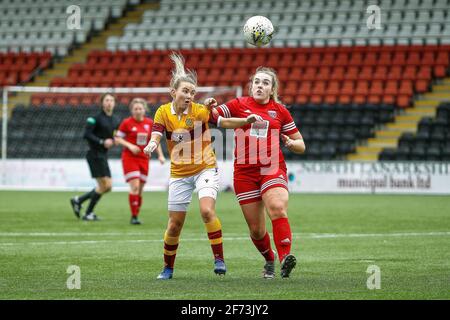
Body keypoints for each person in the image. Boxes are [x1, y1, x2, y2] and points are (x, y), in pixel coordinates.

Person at [143, 53, 262, 280]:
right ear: (173, 92)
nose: (189, 95)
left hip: (205, 168)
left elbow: (224, 122)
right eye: (185, 91)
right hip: (179, 174)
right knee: (175, 225)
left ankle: (219, 259)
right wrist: (151, 143)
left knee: (207, 211)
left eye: (192, 92)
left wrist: (245, 121)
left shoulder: (199, 111)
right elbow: (157, 132)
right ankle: (168, 267)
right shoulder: (162, 112)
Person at [207, 66, 306, 279]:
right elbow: (212, 117)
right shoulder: (238, 104)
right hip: (244, 173)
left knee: (277, 207)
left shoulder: (280, 111)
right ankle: (269, 259)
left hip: (272, 168)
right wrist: (210, 106)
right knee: (256, 230)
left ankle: (285, 258)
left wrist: (291, 143)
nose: (260, 86)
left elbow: (301, 145)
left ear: (272, 89)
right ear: (251, 85)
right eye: (257, 82)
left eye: (265, 83)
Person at [70, 93, 121, 221]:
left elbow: (115, 134)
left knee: (107, 186)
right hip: (94, 154)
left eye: (111, 100)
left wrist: (115, 140)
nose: (109, 102)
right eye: (106, 100)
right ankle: (87, 212)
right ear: (102, 103)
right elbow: (86, 134)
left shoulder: (116, 119)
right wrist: (102, 142)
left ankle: (79, 201)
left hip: (102, 155)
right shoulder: (94, 118)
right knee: (105, 186)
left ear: (114, 103)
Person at [115, 98, 166, 225]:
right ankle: (133, 216)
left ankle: (136, 214)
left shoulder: (149, 123)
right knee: (135, 186)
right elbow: (117, 138)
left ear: (144, 110)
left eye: (140, 108)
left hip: (144, 158)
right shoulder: (126, 123)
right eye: (135, 109)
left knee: (141, 189)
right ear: (132, 110)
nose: (138, 111)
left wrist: (160, 155)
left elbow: (155, 141)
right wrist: (130, 145)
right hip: (130, 158)